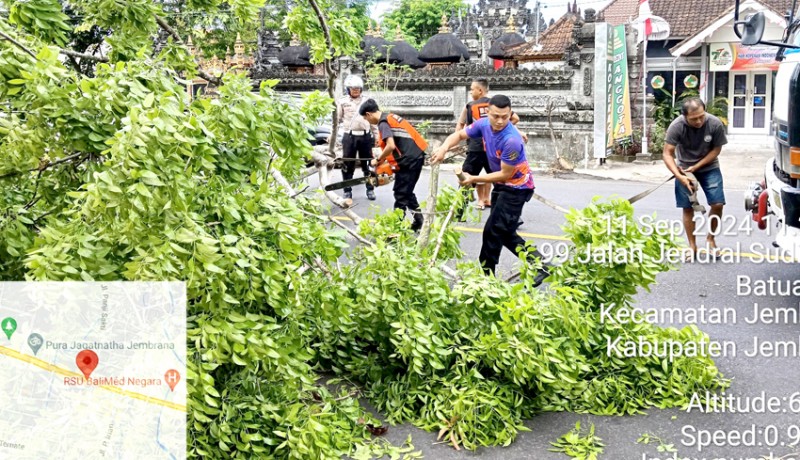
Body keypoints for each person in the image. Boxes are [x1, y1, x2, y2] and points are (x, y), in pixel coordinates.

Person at [431, 95, 548, 285]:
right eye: (496, 116)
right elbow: (460, 135)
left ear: (510, 114)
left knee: (493, 232)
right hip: (503, 186)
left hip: (516, 188)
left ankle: (488, 278)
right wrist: (444, 147)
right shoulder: (483, 124)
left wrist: (474, 178)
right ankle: (539, 264)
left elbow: (504, 174)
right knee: (503, 231)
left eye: (505, 116)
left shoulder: (511, 140)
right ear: (489, 113)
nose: (500, 121)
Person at [662, 97, 728, 261]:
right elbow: (667, 153)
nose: (699, 121)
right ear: (685, 117)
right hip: (684, 169)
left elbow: (716, 150)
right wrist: (680, 176)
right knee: (688, 207)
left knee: (717, 204)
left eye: (701, 116)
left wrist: (697, 166)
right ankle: (692, 245)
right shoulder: (677, 127)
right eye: (694, 119)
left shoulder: (714, 124)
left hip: (709, 166)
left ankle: (710, 239)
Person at [359, 98, 427, 231]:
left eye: (366, 119)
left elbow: (390, 146)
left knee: (400, 194)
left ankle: (396, 230)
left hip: (410, 160)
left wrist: (378, 160)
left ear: (369, 114)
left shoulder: (383, 123)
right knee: (406, 192)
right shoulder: (390, 117)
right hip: (415, 157)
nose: (368, 122)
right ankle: (419, 221)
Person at [455, 78, 521, 213]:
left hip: (476, 148)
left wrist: (456, 142)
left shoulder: (470, 105)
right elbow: (515, 118)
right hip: (493, 149)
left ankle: (459, 212)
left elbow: (461, 126)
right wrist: (503, 131)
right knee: (499, 180)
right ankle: (507, 212)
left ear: (480, 90)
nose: (471, 92)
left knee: (467, 178)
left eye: (472, 89)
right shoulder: (496, 105)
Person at [337, 74, 379, 200]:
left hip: (366, 137)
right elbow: (337, 120)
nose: (355, 90)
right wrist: (332, 135)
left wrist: (377, 136)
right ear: (347, 89)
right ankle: (347, 190)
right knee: (348, 164)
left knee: (368, 164)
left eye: (358, 88)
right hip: (349, 137)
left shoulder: (367, 101)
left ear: (361, 89)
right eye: (353, 88)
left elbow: (374, 120)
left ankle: (370, 189)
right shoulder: (342, 102)